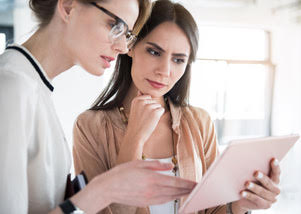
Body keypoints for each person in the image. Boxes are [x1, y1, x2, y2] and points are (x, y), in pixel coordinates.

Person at [73, 0, 282, 213]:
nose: (165, 71)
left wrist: (241, 204)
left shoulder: (199, 122)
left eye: (178, 60)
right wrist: (135, 136)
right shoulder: (89, 126)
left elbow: (213, 209)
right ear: (131, 46)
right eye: (154, 52)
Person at [0, 0, 197, 213]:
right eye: (115, 25)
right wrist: (104, 190)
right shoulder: (12, 85)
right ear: (67, 7)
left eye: (127, 34)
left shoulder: (34, 87)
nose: (123, 47)